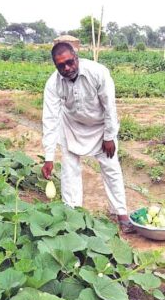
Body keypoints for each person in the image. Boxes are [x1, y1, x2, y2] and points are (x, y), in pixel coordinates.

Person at [41, 42, 134, 233]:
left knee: (111, 167)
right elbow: (50, 119)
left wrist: (109, 136)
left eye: (69, 62)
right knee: (69, 169)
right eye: (61, 66)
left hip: (101, 126)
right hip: (71, 126)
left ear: (76, 57)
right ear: (55, 66)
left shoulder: (98, 72)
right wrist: (48, 157)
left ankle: (121, 214)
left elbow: (110, 107)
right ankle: (72, 214)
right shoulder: (53, 84)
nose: (67, 68)